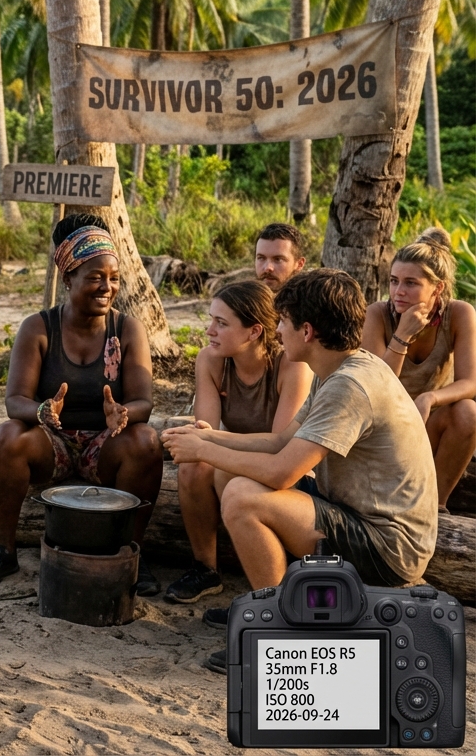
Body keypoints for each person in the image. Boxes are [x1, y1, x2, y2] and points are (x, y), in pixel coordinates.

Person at [162, 270, 437, 671]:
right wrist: (210, 440)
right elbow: (278, 442)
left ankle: (280, 635)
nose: (277, 332)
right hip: (357, 517)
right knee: (229, 477)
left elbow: (280, 473)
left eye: (283, 323)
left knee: (242, 496)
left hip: (388, 547)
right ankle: (269, 605)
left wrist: (203, 450)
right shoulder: (338, 370)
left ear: (306, 330)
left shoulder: (350, 386)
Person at [0, 214, 163, 593]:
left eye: (113, 278)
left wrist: (123, 414)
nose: (106, 287)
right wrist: (41, 412)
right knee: (7, 436)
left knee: (146, 442)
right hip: (51, 444)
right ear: (68, 279)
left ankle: (131, 552)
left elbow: (144, 401)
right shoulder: (39, 328)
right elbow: (15, 401)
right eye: (94, 277)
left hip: (106, 446)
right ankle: (3, 550)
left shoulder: (127, 329)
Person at [164, 281, 313, 603]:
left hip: (285, 467)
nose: (209, 331)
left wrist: (208, 443)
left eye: (221, 323)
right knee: (193, 466)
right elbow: (204, 428)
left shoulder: (292, 366)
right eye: (211, 320)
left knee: (220, 470)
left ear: (254, 331)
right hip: (238, 457)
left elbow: (280, 443)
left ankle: (267, 580)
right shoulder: (211, 359)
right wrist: (197, 443)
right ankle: (205, 569)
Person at [360, 227, 476, 512]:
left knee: (468, 412)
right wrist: (401, 335)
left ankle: (433, 505)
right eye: (394, 281)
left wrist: (429, 398)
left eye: (411, 283)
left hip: (428, 425)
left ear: (437, 288)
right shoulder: (378, 314)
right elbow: (376, 387)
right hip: (384, 428)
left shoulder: (459, 314)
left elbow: (471, 382)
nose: (398, 292)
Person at [254, 222, 307, 292]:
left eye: (278, 259)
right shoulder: (243, 300)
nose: (267, 268)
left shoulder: (311, 301)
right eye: (261, 258)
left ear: (299, 264)